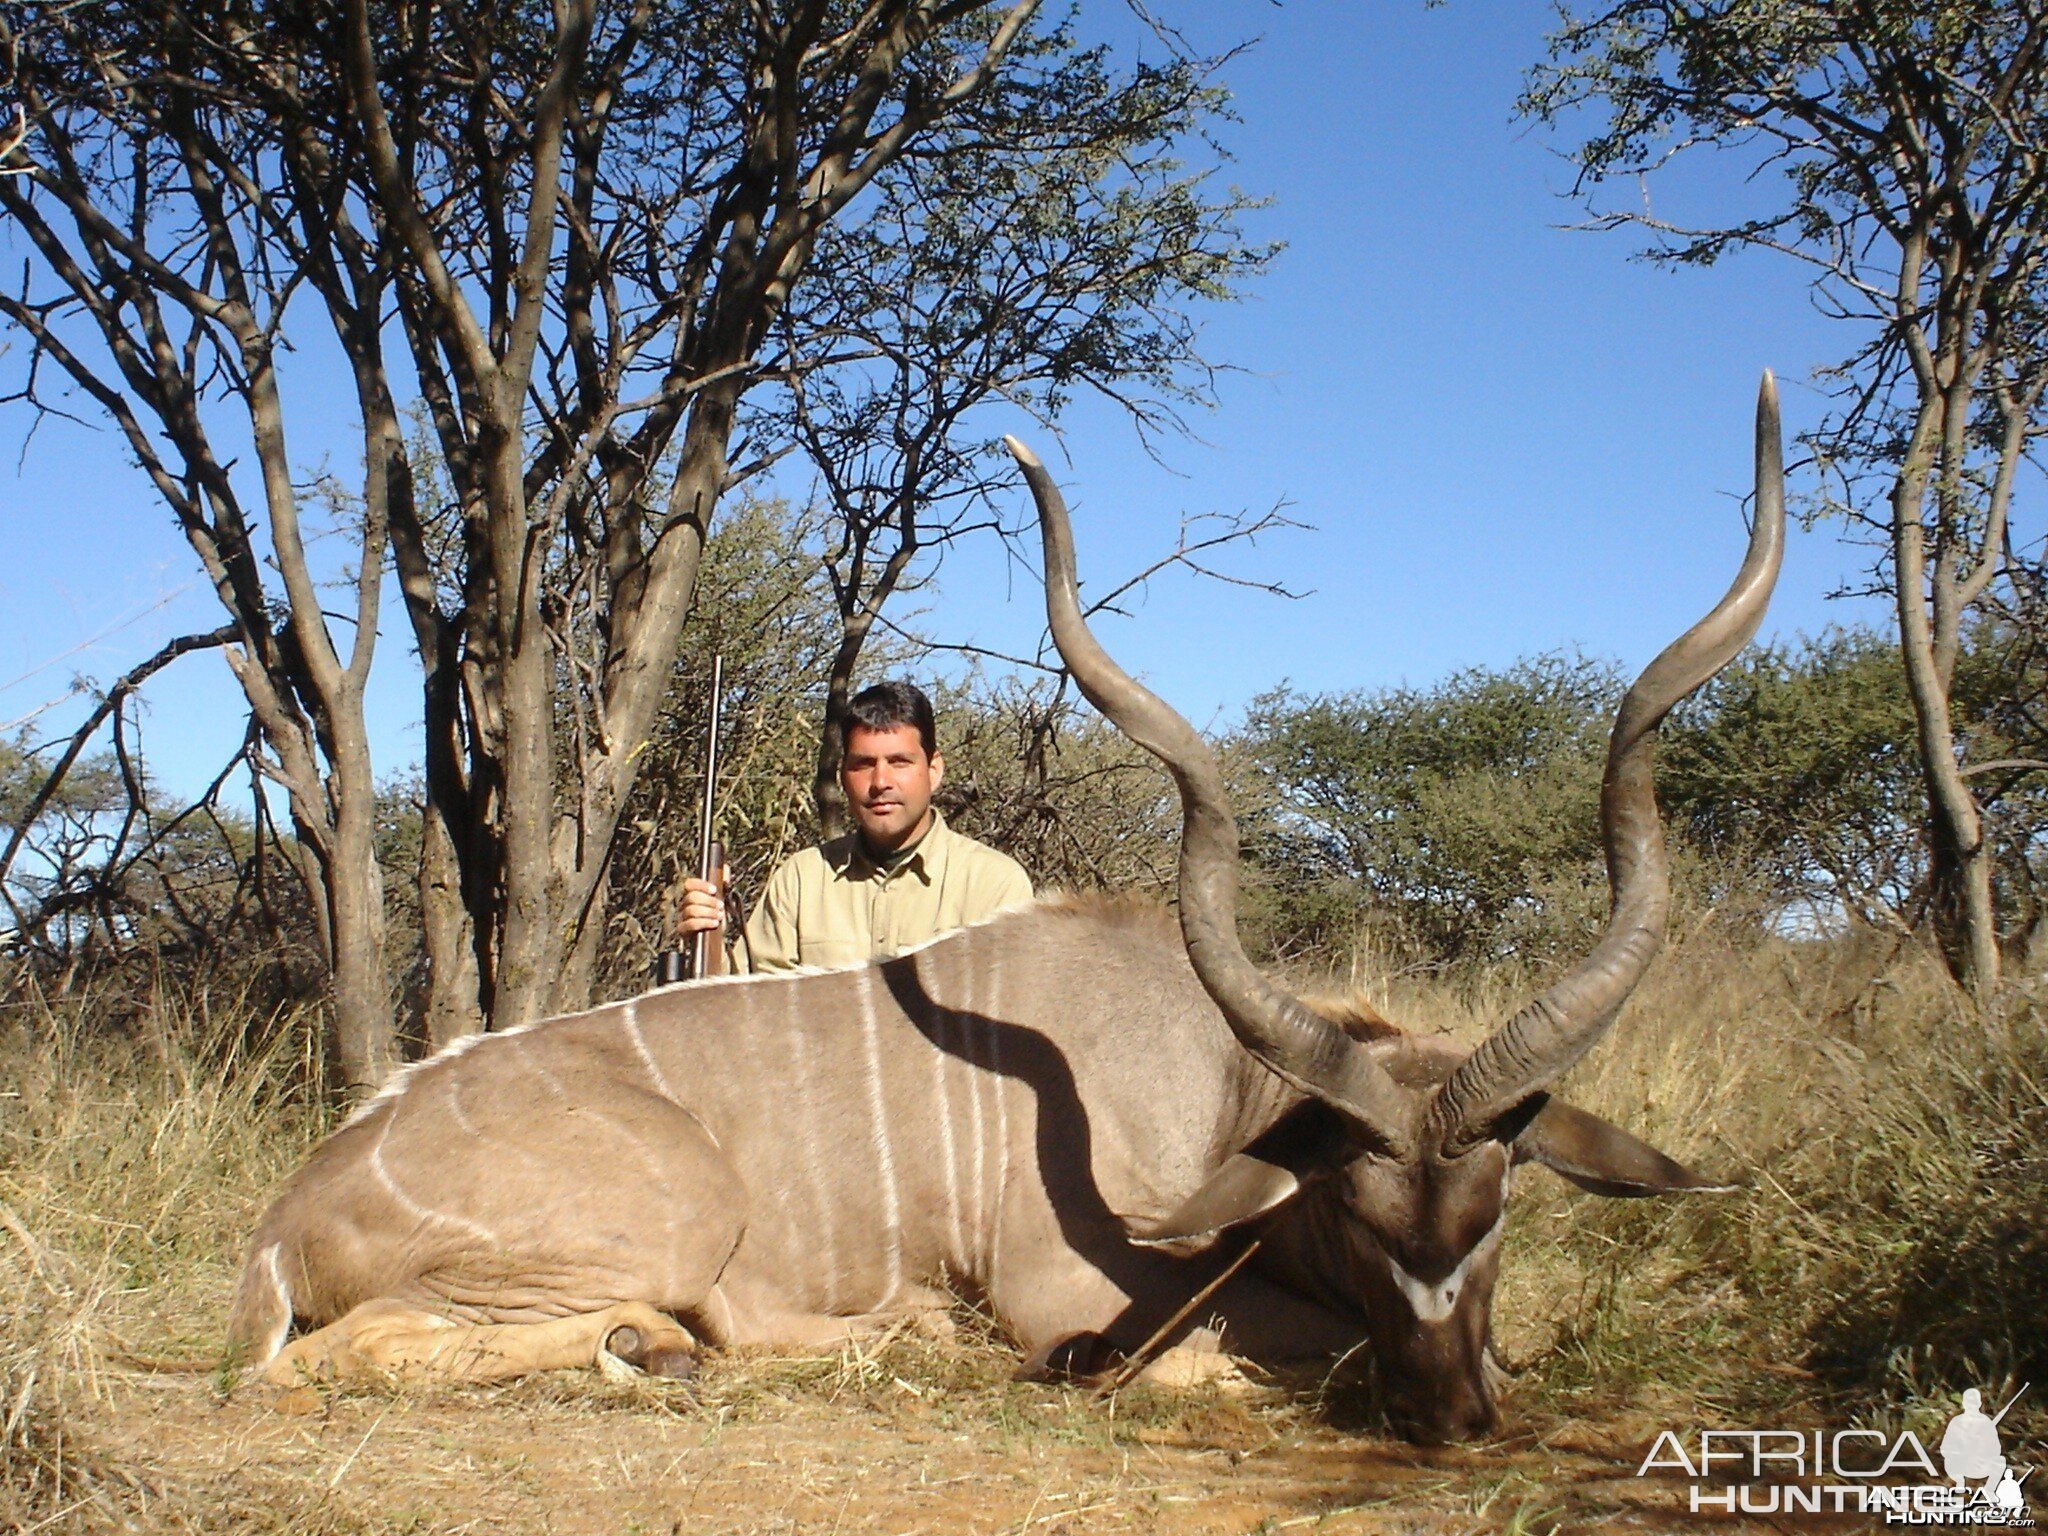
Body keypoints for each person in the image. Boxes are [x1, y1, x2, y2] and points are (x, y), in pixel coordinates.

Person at [678, 680, 1033, 973]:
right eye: (863, 764)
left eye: (899, 762)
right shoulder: (801, 879)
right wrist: (708, 937)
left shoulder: (996, 887)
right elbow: (750, 1009)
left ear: (933, 769)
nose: (880, 781)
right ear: (842, 776)